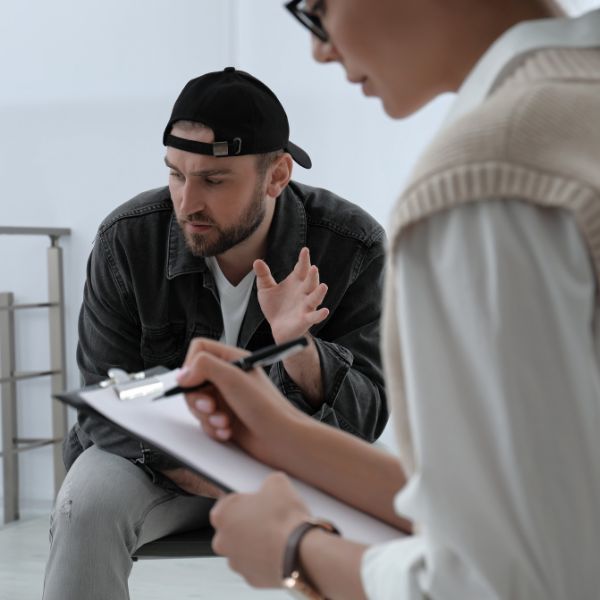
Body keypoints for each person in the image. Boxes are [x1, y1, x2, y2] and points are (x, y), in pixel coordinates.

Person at [177, 1, 600, 599]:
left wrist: (294, 550)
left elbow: (498, 583)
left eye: (317, 8)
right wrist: (281, 435)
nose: (319, 47)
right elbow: (538, 504)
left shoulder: (485, 179)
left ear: (275, 176)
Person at [42, 67, 388, 600]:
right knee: (83, 505)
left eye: (213, 180)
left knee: (378, 524)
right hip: (155, 465)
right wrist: (231, 480)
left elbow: (364, 423)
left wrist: (301, 349)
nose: (186, 202)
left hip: (296, 470)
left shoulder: (351, 245)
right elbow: (103, 408)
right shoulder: (127, 241)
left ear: (276, 176)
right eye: (177, 174)